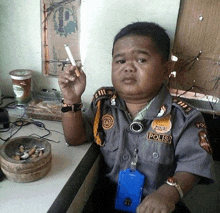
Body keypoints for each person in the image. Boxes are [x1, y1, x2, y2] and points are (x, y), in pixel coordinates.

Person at [58, 22, 214, 213]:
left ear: (166, 69)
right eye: (120, 61)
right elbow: (75, 138)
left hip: (159, 203)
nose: (128, 68)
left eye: (141, 60)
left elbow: (194, 165)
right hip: (108, 201)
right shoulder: (104, 104)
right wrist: (71, 98)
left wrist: (167, 194)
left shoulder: (183, 117)